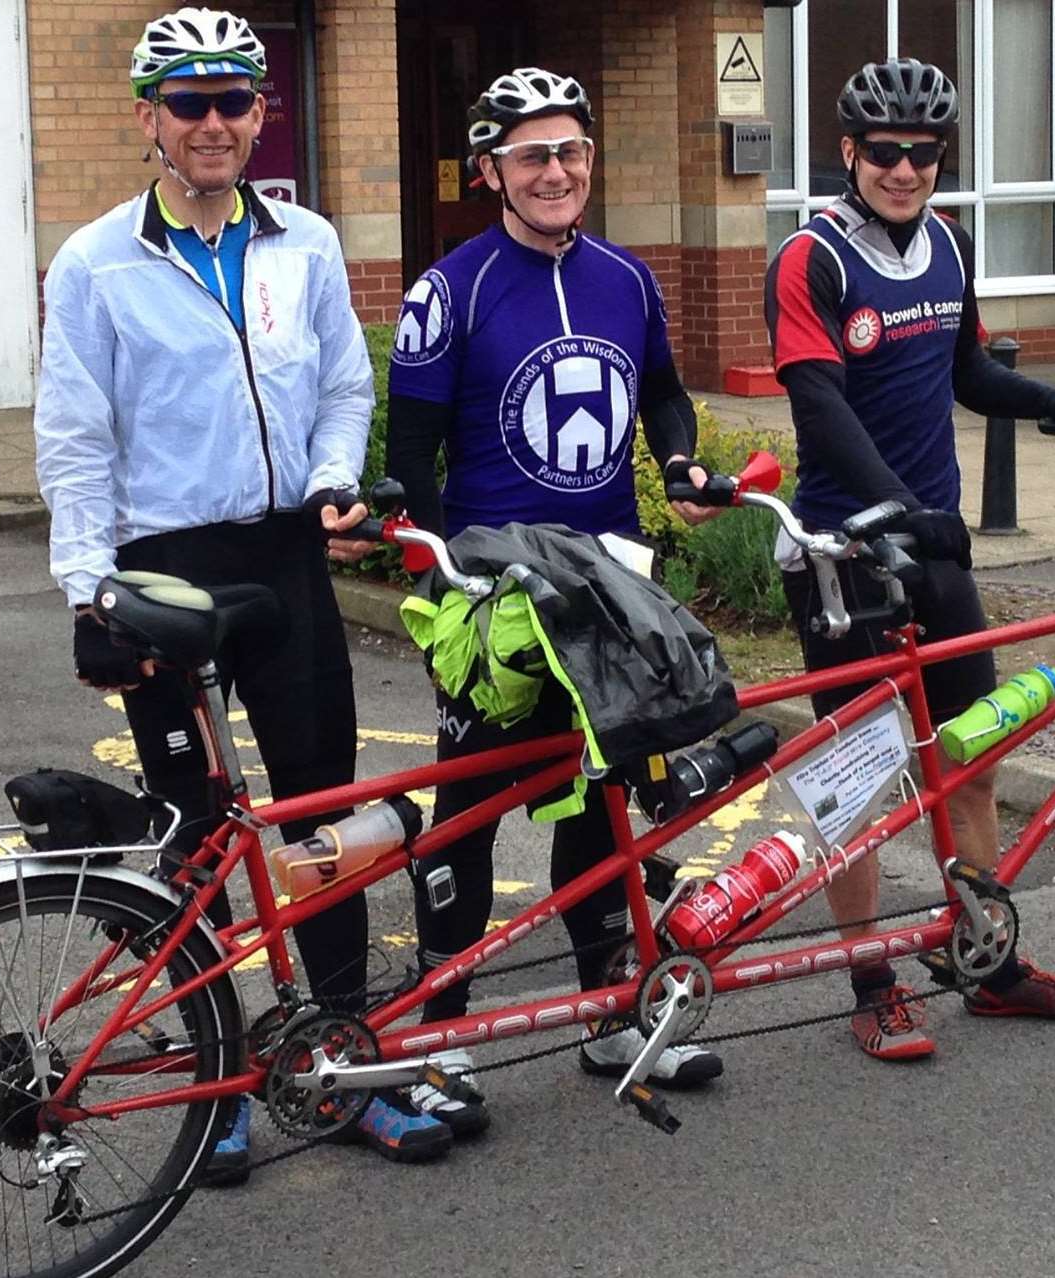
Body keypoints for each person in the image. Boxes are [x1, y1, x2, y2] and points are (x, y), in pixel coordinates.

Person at [33, 7, 452, 1181]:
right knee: (194, 835)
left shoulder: (305, 241)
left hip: (282, 554)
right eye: (188, 103)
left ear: (261, 113)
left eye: (232, 101)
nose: (212, 124)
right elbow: (73, 436)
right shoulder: (97, 261)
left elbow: (340, 387)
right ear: (148, 120)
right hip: (162, 568)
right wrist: (87, 593)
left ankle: (341, 1059)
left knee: (323, 820)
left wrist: (328, 482)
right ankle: (220, 1080)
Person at [384, 67, 728, 1138]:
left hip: (608, 585)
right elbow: (409, 453)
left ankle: (606, 1015)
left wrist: (677, 461)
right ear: (490, 168)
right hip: (496, 596)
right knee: (469, 810)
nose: (554, 171)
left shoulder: (628, 279)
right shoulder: (451, 289)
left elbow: (662, 389)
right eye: (530, 154)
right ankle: (439, 1032)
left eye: (570, 152)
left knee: (603, 800)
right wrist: (444, 576)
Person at [761, 57, 1055, 1063]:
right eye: (883, 153)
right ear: (847, 153)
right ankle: (870, 983)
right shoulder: (810, 259)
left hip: (932, 546)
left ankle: (987, 960)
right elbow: (819, 406)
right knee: (857, 782)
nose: (904, 170)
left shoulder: (948, 248)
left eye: (923, 155)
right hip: (844, 555)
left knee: (967, 755)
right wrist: (900, 510)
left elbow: (964, 372)